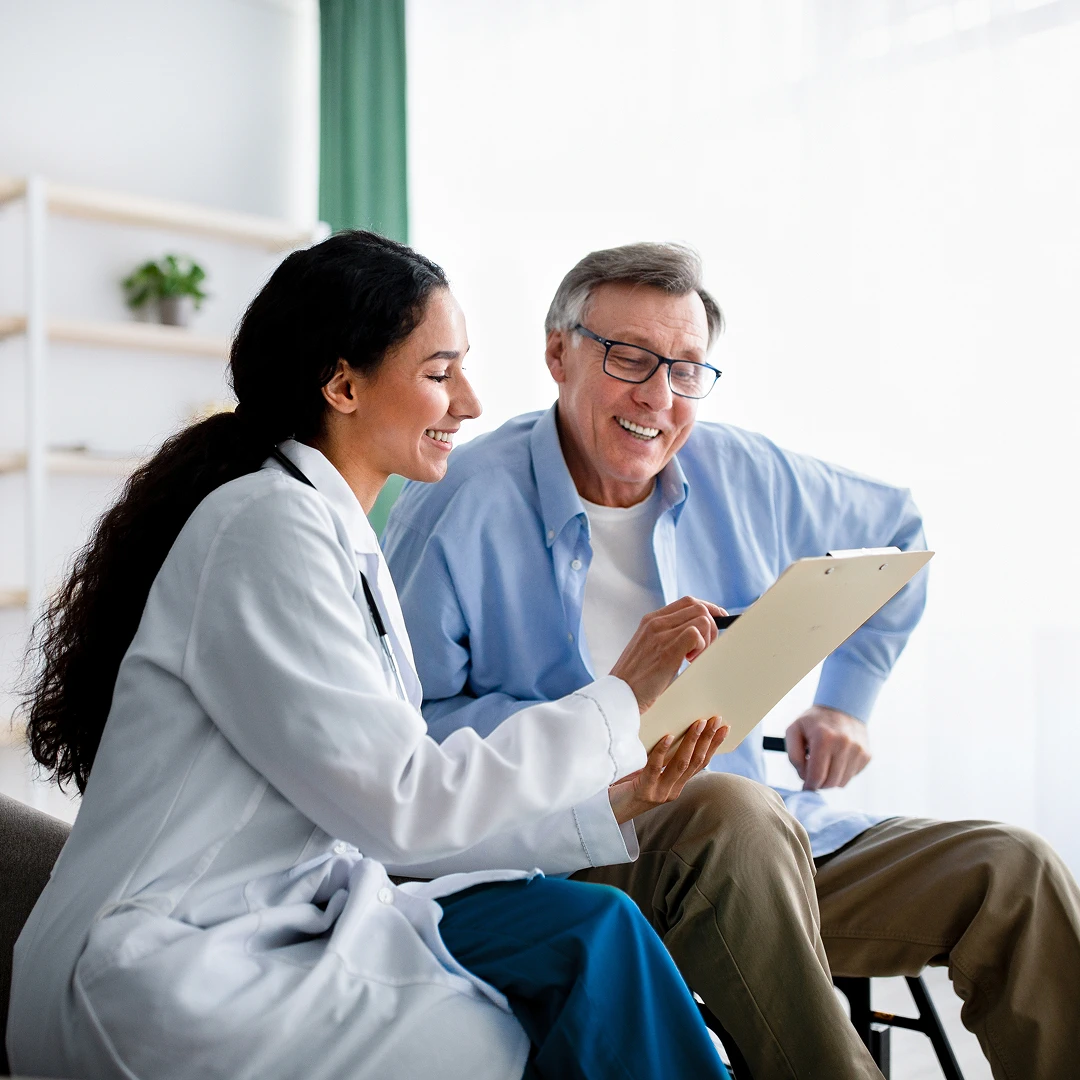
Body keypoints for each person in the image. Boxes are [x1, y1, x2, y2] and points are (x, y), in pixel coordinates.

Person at [7, 232, 735, 1080]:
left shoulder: (333, 535)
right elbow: (402, 808)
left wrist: (611, 803)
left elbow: (385, 816)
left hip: (284, 919)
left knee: (594, 938)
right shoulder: (264, 528)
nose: (469, 401)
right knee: (530, 1021)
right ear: (343, 384)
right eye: (439, 372)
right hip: (160, 965)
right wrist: (617, 699)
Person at [383, 241, 1080, 1080]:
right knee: (729, 810)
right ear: (558, 353)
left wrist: (846, 701)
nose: (657, 397)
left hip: (770, 846)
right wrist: (608, 715)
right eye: (629, 358)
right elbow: (407, 736)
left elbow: (899, 532)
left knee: (1015, 871)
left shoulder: (744, 471)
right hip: (577, 847)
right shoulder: (457, 502)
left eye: (685, 370)